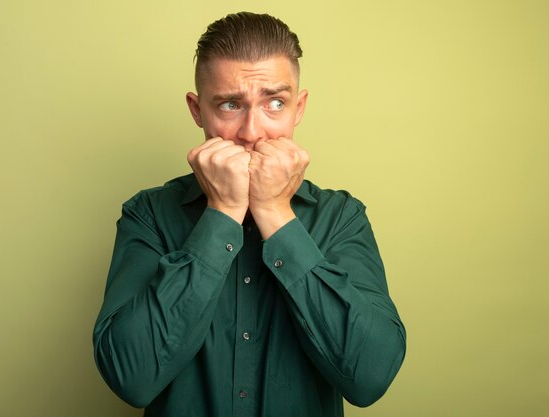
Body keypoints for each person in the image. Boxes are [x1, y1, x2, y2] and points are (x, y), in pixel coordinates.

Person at [93, 11, 406, 417]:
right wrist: (222, 212)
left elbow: (370, 377)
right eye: (229, 104)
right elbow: (131, 378)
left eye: (275, 102)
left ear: (299, 108)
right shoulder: (149, 215)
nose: (253, 131)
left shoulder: (341, 217)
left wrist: (275, 212)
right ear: (197, 110)